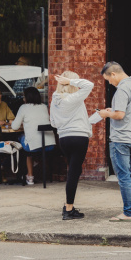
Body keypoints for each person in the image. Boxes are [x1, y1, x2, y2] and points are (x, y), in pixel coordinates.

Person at [99, 61, 131, 222]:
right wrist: (113, 112)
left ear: (113, 74)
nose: (109, 83)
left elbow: (120, 115)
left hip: (120, 138)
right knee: (130, 174)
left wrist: (106, 113)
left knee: (123, 176)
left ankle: (128, 212)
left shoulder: (122, 88)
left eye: (108, 79)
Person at [49, 71, 94, 219]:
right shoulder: (73, 98)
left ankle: (69, 206)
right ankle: (68, 209)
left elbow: (53, 123)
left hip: (63, 139)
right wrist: (71, 81)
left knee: (74, 171)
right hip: (79, 138)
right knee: (74, 173)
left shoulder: (55, 100)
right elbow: (89, 85)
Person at [12, 86, 55, 186]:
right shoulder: (44, 107)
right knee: (31, 141)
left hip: (33, 146)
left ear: (27, 97)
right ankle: (35, 162)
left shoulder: (23, 107)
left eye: (24, 96)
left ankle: (29, 176)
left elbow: (14, 127)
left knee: (22, 139)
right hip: (50, 145)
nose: (23, 98)